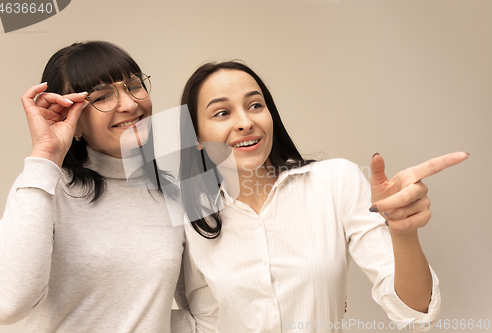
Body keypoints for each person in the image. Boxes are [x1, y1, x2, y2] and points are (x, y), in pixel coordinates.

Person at [176, 61, 468, 332]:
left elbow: (415, 314)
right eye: (222, 113)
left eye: (255, 105)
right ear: (197, 138)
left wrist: (403, 234)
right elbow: (198, 321)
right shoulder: (190, 217)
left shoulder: (335, 181)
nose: (245, 122)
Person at [0, 41, 193, 332]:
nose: (129, 104)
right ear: (72, 120)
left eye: (134, 85)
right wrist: (45, 155)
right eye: (103, 96)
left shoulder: (179, 192)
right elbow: (4, 304)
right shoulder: (45, 186)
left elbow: (207, 309)